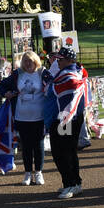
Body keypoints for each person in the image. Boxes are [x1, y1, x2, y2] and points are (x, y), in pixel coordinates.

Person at [0, 49, 51, 185]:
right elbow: (1, 85)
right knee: (25, 146)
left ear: (35, 61)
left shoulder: (42, 73)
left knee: (38, 145)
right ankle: (27, 173)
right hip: (21, 116)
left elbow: (53, 86)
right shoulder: (17, 74)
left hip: (39, 117)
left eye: (30, 61)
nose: (27, 64)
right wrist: (6, 93)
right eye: (25, 61)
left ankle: (38, 172)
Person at [45, 46, 87, 198]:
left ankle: (71, 184)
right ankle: (73, 183)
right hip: (68, 116)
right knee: (66, 151)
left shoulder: (69, 74)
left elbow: (66, 92)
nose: (58, 61)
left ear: (69, 60)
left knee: (63, 152)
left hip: (65, 117)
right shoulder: (75, 71)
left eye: (60, 59)